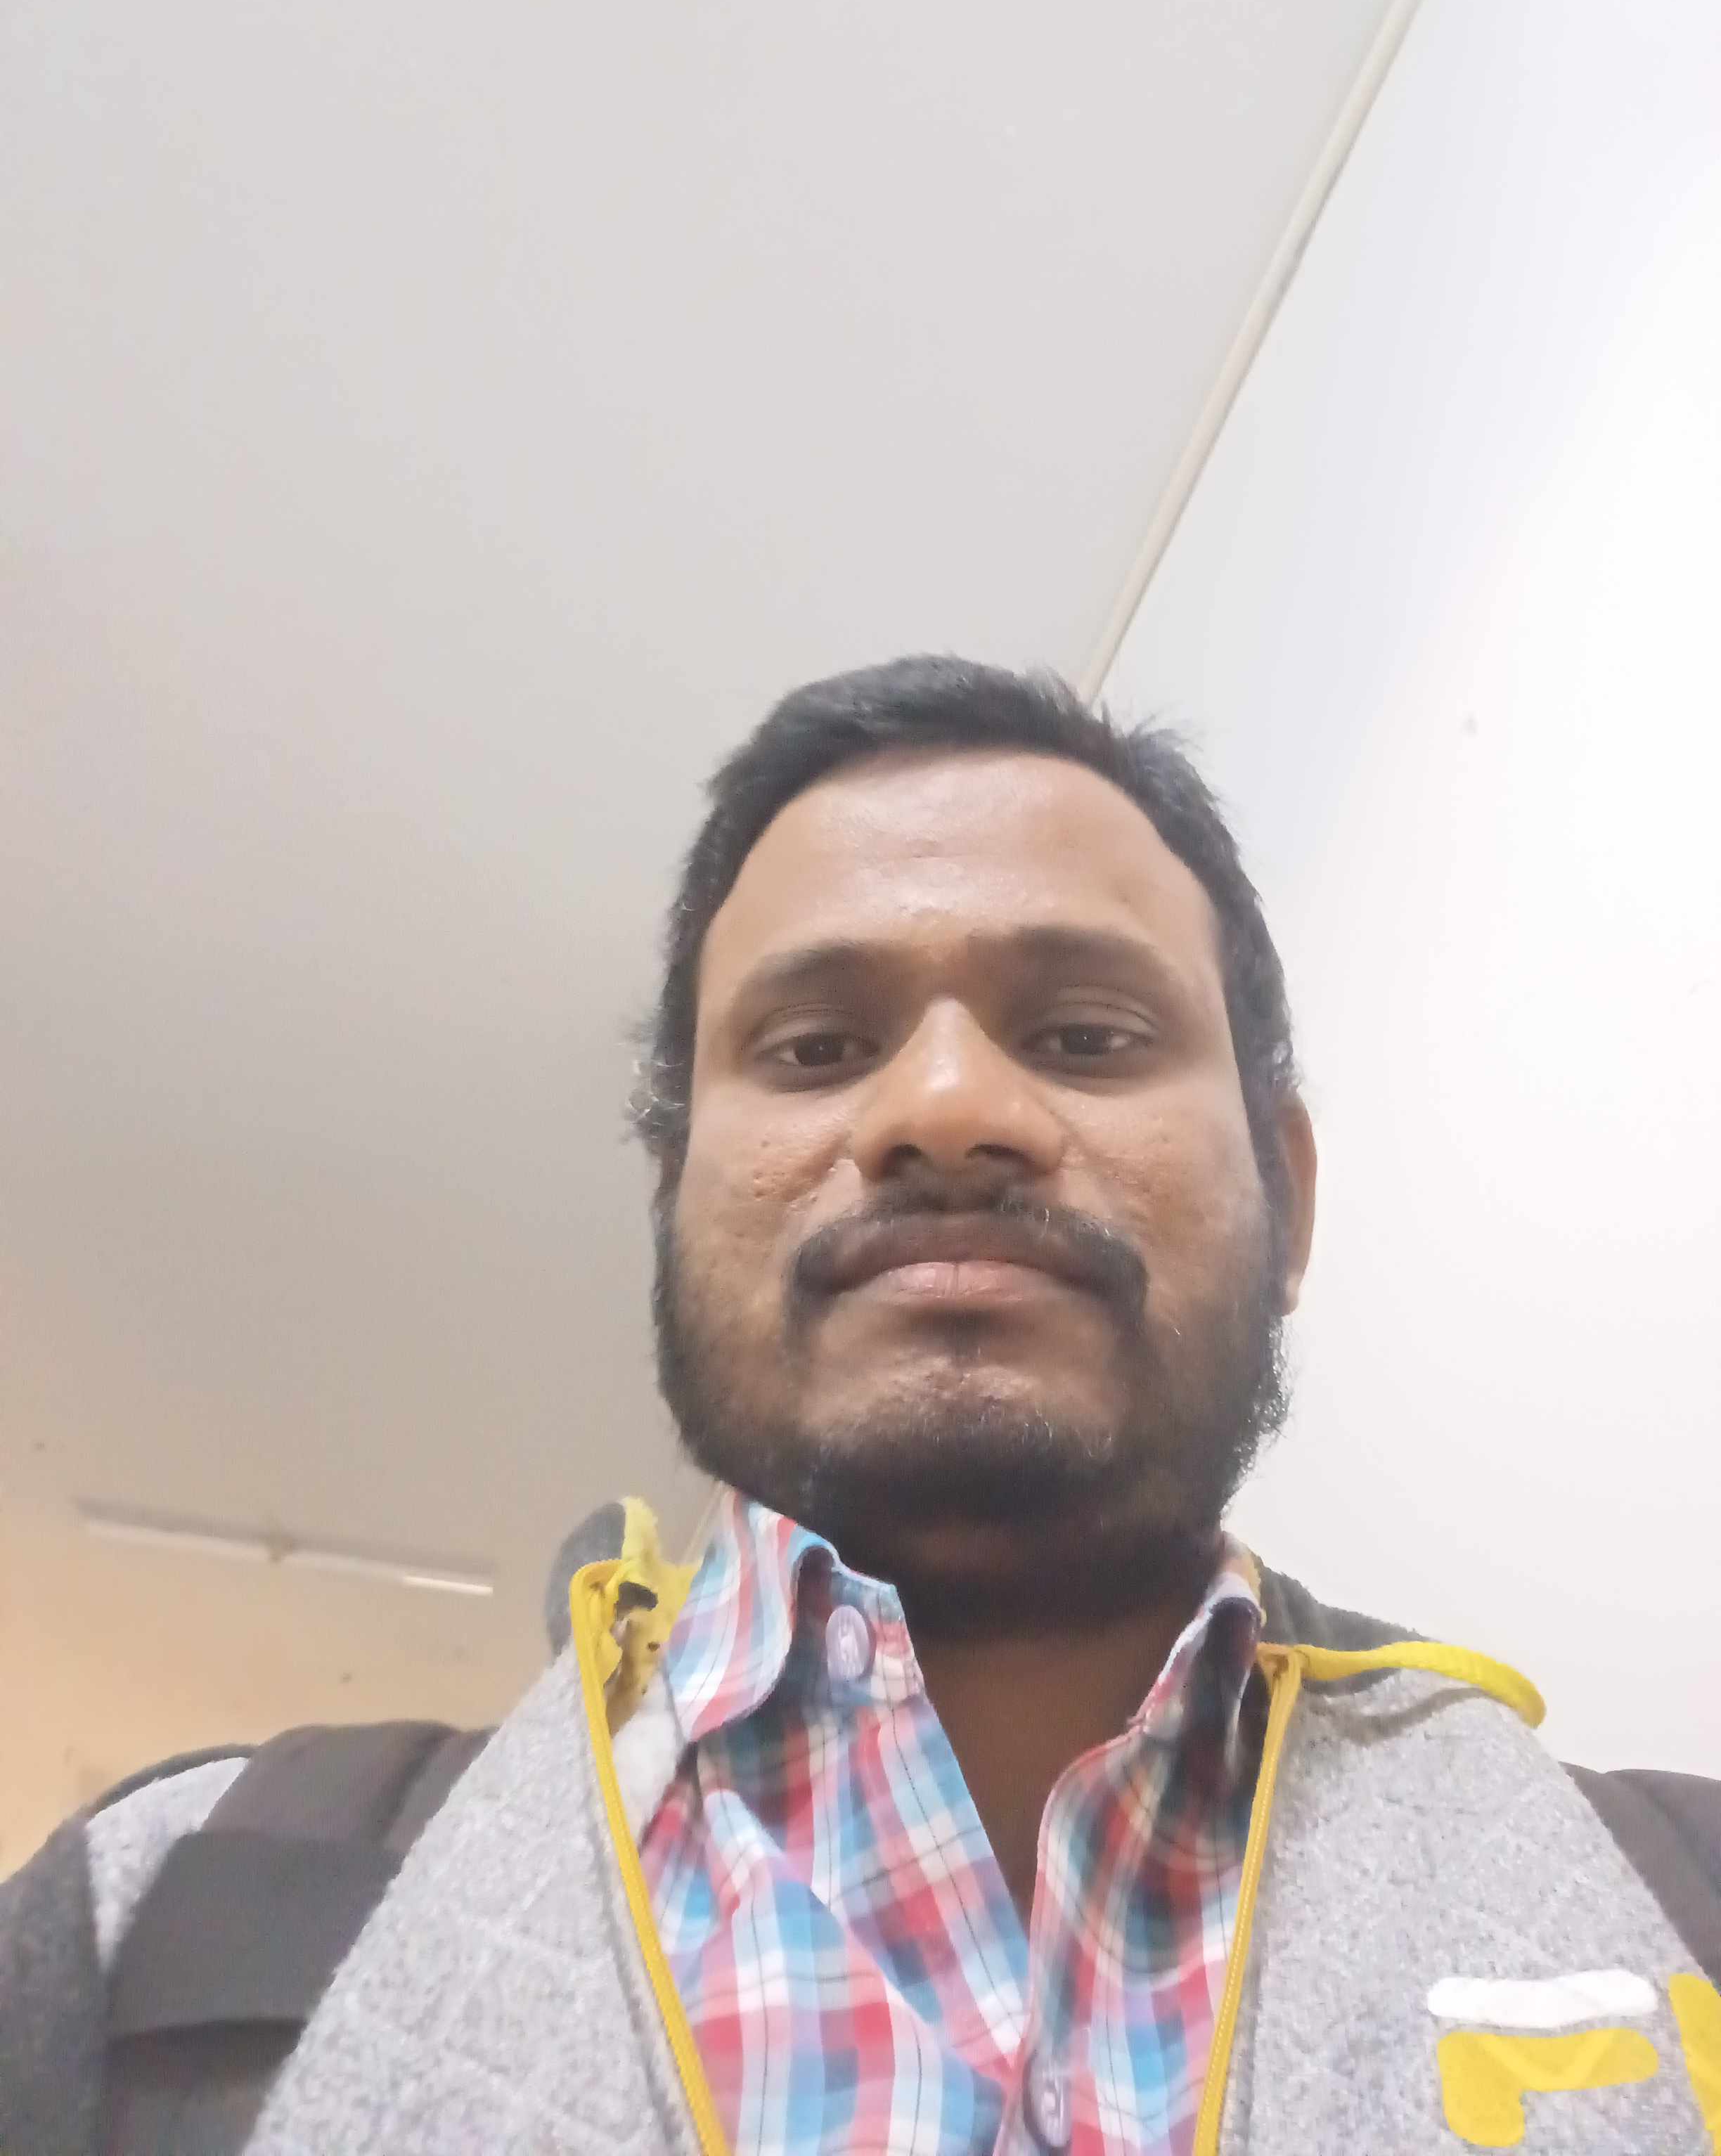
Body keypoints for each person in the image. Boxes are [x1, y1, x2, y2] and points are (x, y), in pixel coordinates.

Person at [4, 657, 1717, 2155]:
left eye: (1088, 1035)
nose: (949, 1107)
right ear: (676, 1197)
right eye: (817, 1050)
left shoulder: (1684, 1901)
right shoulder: (165, 1907)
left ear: (1290, 1195)